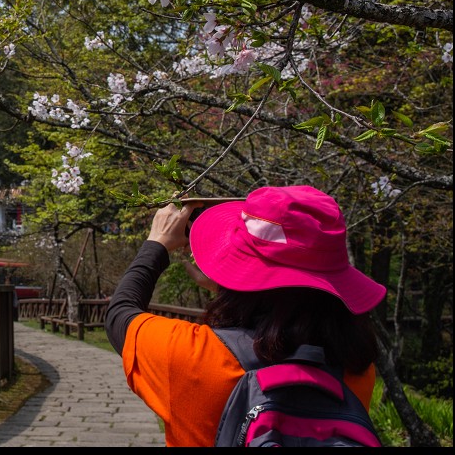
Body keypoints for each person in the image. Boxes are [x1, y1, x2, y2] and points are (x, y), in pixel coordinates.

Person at [106, 185, 386, 447]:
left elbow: (120, 314)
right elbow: (295, 307)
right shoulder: (356, 369)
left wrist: (158, 244)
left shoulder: (189, 356)